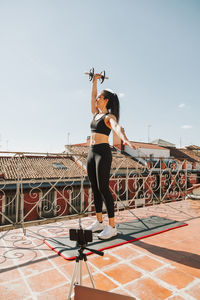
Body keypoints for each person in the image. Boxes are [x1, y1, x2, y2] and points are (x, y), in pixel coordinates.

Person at [86, 73, 135, 239]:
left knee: (103, 188)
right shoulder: (95, 114)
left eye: (100, 97)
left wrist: (125, 140)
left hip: (102, 152)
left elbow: (117, 127)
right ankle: (99, 222)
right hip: (91, 153)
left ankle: (112, 226)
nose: (97, 99)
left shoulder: (109, 117)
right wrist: (94, 81)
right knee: (94, 188)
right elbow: (92, 96)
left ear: (106, 100)